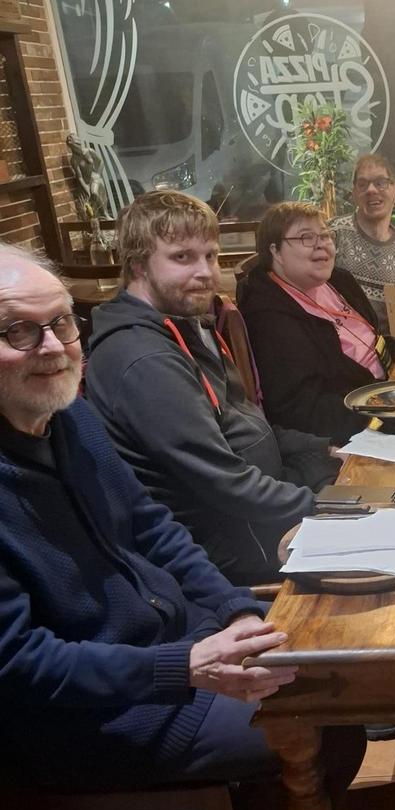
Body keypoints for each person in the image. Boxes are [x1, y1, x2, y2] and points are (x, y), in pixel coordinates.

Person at [0, 243, 366, 794]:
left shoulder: (70, 416)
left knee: (336, 666)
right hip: (100, 714)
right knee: (325, 721)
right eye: (18, 332)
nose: (52, 347)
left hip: (175, 642)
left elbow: (154, 526)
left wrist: (232, 608)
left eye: (61, 323)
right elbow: (18, 663)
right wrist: (185, 665)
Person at [85, 190, 340, 586]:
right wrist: (331, 506)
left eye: (210, 256)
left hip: (262, 509)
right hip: (235, 550)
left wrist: (321, 448)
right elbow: (225, 484)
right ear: (137, 264)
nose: (205, 272)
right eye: (182, 257)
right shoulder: (143, 359)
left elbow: (245, 423)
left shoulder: (184, 323)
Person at [238, 201, 393, 443]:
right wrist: (388, 416)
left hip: (389, 388)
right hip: (359, 426)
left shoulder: (339, 281)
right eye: (306, 237)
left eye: (325, 235)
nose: (321, 244)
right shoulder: (269, 319)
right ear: (276, 251)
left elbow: (376, 338)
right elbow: (300, 410)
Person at [330, 154, 395, 336]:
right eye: (362, 184)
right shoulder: (334, 233)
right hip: (339, 342)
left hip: (385, 346)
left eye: (381, 183)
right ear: (354, 193)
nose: (371, 190)